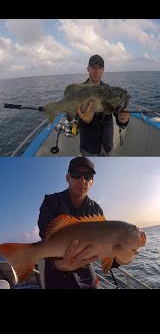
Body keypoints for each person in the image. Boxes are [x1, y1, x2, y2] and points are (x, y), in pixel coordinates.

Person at [37, 157, 118, 289]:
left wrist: (118, 258)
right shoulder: (51, 202)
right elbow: (45, 237)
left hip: (86, 272)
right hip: (56, 272)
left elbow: (104, 244)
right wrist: (59, 264)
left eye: (88, 176)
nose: (82, 180)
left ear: (92, 182)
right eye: (76, 175)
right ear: (68, 177)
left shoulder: (96, 210)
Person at [75, 54, 130, 156]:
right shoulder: (80, 91)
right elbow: (76, 119)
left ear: (103, 70)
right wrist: (85, 121)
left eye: (99, 68)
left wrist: (123, 119)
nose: (96, 71)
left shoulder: (109, 90)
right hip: (88, 148)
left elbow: (117, 112)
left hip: (107, 146)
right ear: (88, 69)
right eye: (93, 67)